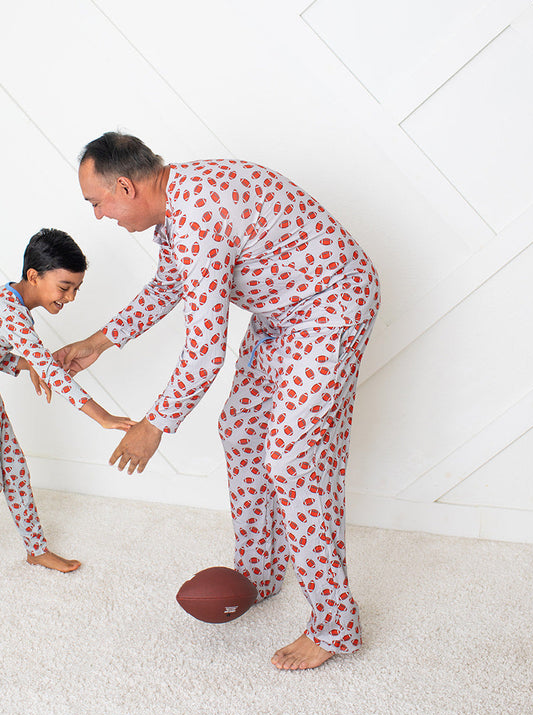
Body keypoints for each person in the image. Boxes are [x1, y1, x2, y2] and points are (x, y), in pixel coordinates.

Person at [55, 133, 380, 670]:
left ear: (125, 186)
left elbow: (205, 350)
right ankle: (260, 571)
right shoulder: (176, 207)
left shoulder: (200, 213)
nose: (99, 215)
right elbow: (169, 285)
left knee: (292, 456)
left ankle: (335, 625)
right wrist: (97, 342)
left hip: (330, 306)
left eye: (97, 203)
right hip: (282, 315)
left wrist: (154, 425)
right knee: (242, 431)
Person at [0, 228, 134, 582]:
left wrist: (28, 364)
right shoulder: (11, 313)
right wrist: (102, 417)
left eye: (76, 289)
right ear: (33, 276)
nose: (70, 297)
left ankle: (36, 549)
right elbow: (52, 374)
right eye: (64, 287)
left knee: (16, 473)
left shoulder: (10, 302)